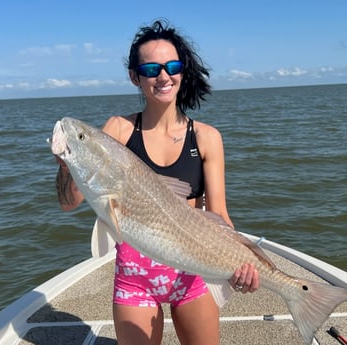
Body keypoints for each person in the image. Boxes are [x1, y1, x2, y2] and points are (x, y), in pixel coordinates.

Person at [55, 19, 259, 345]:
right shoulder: (118, 130)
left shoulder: (207, 138)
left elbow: (218, 215)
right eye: (151, 69)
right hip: (135, 278)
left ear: (182, 71)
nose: (163, 76)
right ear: (135, 77)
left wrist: (242, 263)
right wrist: (67, 165)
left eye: (172, 66)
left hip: (192, 272)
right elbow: (69, 204)